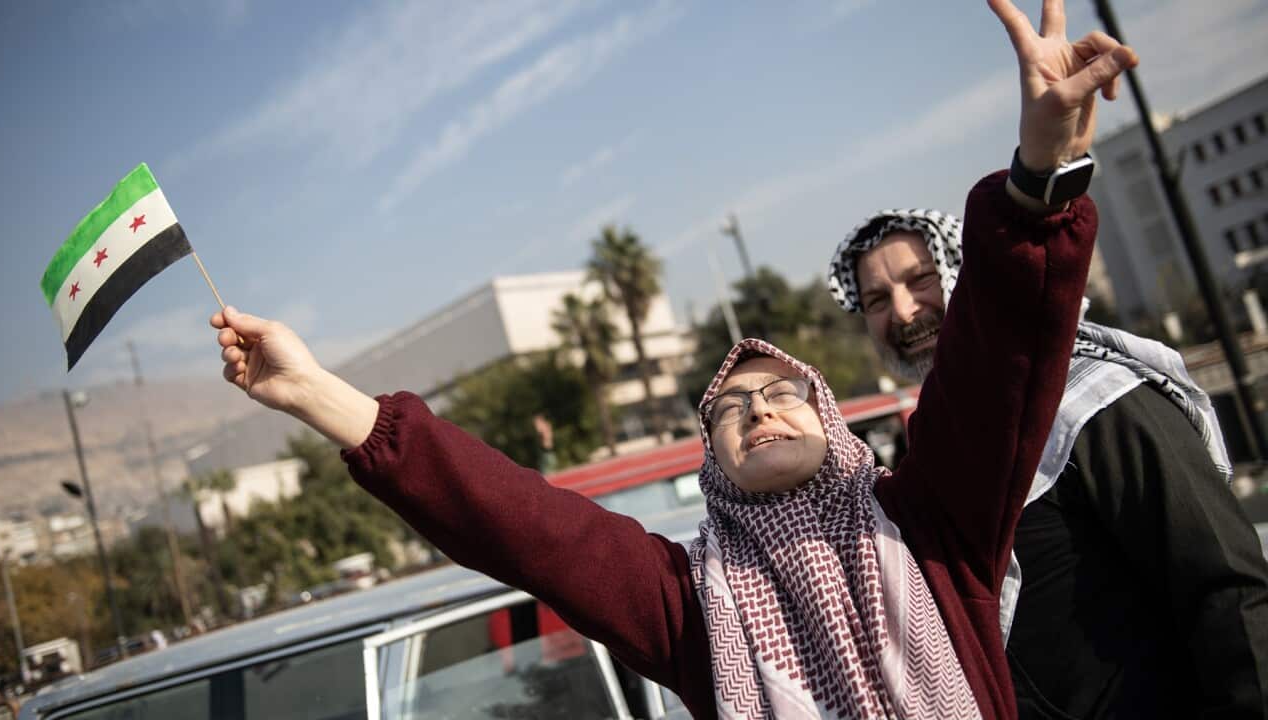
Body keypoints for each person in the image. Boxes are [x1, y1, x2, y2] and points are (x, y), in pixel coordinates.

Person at [211, 2, 1131, 717]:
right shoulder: (687, 602)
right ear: (712, 463)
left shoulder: (934, 524)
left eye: (781, 393)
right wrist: (315, 394)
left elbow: (997, 363)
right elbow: (521, 525)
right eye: (733, 409)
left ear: (831, 417)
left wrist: (1042, 175)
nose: (761, 409)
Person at [826, 37, 1268, 720]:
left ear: (964, 275)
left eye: (919, 282)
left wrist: (1040, 174)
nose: (905, 312)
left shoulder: (1096, 397)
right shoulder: (938, 453)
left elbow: (1228, 592)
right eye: (878, 301)